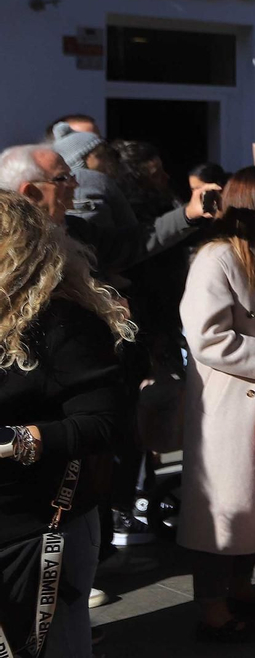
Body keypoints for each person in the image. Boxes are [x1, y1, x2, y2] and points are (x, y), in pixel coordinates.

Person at [0, 192, 133, 658]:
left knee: (56, 644)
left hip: (39, 526)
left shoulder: (61, 322)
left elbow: (105, 422)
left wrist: (15, 441)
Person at [177, 166, 255, 641]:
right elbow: (206, 337)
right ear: (248, 197)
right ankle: (213, 608)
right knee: (225, 508)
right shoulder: (215, 256)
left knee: (254, 505)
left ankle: (242, 590)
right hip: (229, 399)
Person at [0, 145, 211, 280]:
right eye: (62, 178)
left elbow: (133, 242)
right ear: (29, 192)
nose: (75, 184)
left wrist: (187, 214)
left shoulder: (76, 230)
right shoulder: (6, 245)